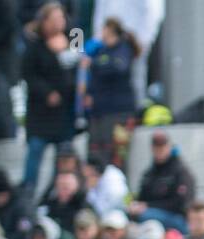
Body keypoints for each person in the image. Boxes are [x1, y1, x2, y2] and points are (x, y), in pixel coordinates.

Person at [20, 1, 79, 195]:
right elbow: (28, 74)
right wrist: (46, 92)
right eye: (53, 19)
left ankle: (54, 195)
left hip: (64, 113)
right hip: (40, 114)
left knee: (62, 159)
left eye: (60, 18)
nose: (58, 23)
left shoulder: (73, 39)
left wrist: (61, 52)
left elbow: (77, 69)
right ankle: (28, 194)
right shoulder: (34, 44)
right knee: (34, 156)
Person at [84, 17, 140, 168]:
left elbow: (118, 67)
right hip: (99, 112)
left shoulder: (123, 49)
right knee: (96, 155)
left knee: (116, 157)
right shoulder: (101, 50)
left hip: (120, 112)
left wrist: (95, 64)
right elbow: (95, 77)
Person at [130, 129, 197, 235]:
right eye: (157, 147)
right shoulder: (149, 173)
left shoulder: (181, 172)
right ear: (152, 148)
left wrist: (148, 206)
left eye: (163, 147)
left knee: (144, 215)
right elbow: (142, 198)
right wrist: (135, 206)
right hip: (153, 213)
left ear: (169, 146)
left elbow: (181, 203)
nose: (160, 150)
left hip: (178, 218)